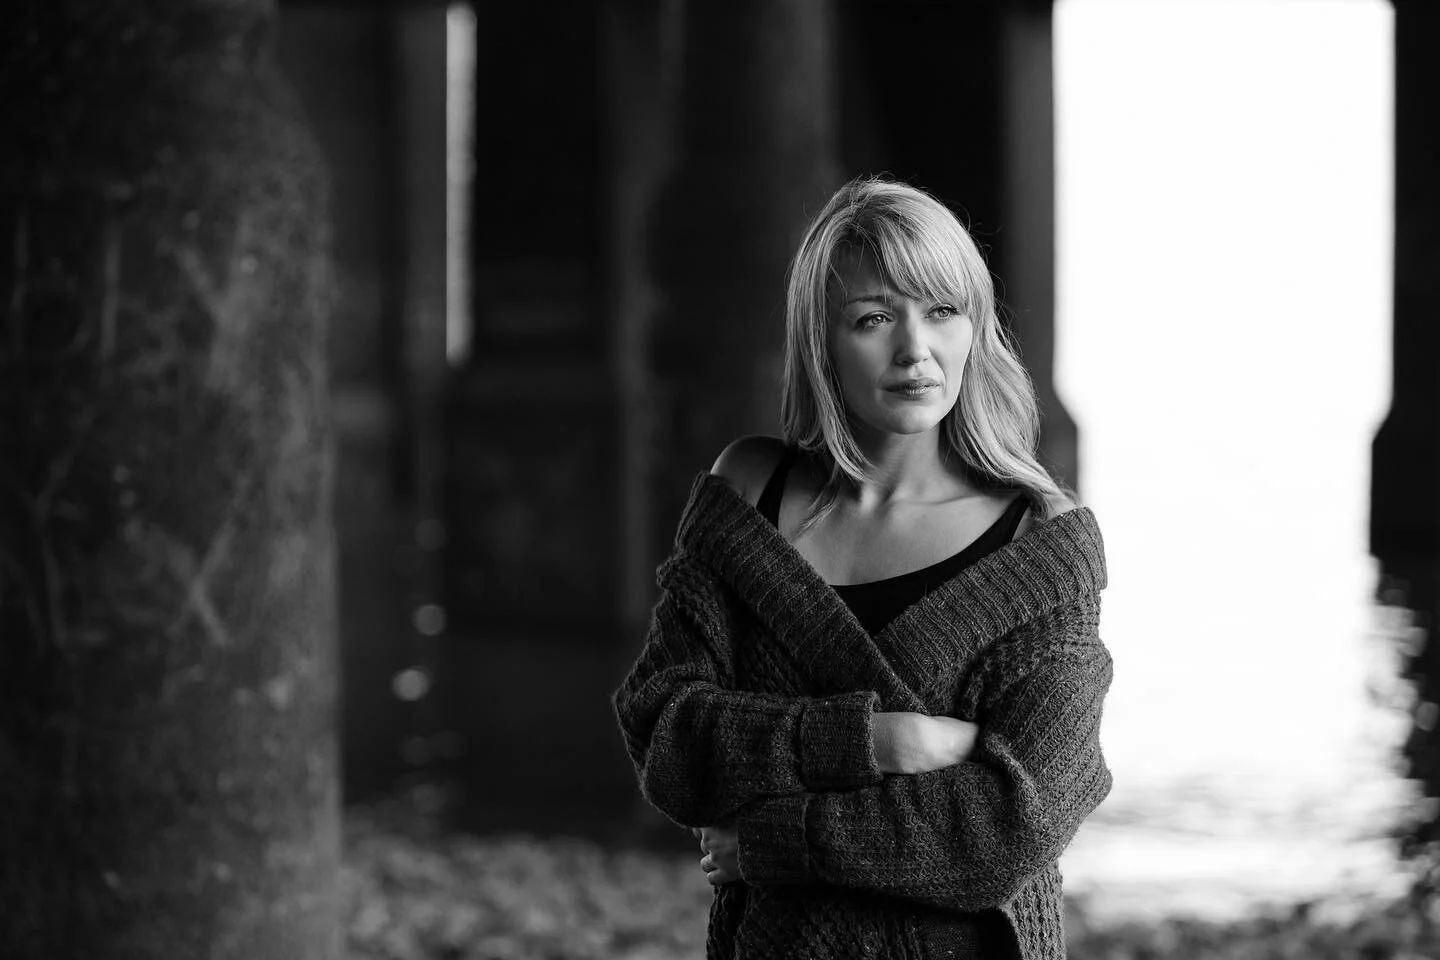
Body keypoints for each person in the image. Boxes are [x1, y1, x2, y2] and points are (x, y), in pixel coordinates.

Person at [611, 176, 1112, 960]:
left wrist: (774, 840)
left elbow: (1011, 830)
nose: (915, 350)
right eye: (874, 318)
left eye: (942, 311)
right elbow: (666, 735)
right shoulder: (752, 492)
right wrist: (875, 741)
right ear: (822, 341)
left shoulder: (1041, 542)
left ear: (975, 327)